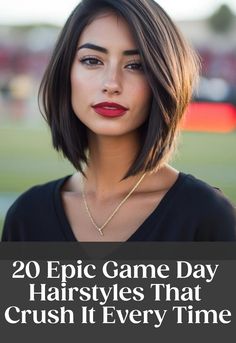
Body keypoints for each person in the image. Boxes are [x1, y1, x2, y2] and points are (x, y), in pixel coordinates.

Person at [2, 0, 236, 242]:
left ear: (163, 77)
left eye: (136, 65)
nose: (112, 83)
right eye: (92, 60)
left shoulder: (207, 216)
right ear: (66, 71)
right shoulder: (26, 217)